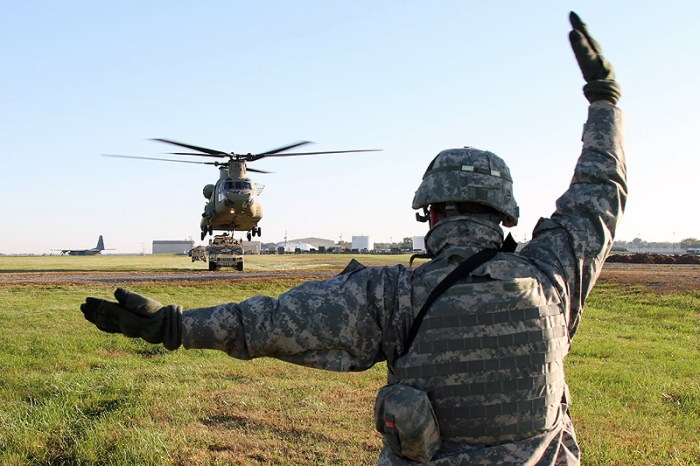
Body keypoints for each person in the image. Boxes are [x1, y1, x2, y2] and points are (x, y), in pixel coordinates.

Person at [81, 12, 625, 465]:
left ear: (429, 211)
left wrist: (176, 324)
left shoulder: (394, 296)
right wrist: (605, 102)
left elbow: (271, 322)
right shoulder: (555, 274)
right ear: (505, 214)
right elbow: (599, 190)